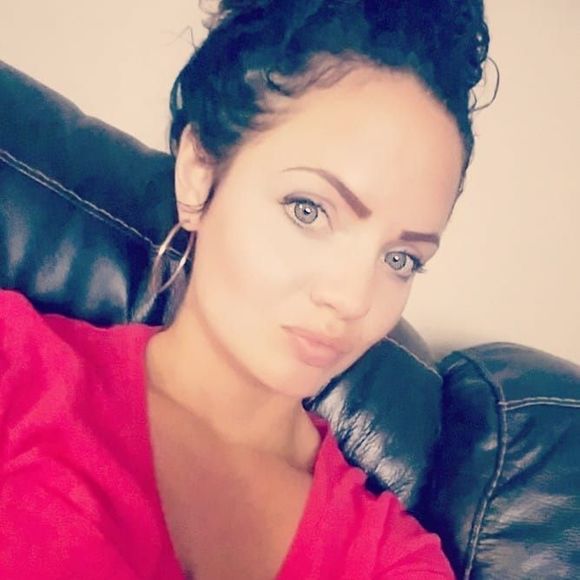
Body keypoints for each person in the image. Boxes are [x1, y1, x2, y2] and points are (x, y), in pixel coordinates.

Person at [0, 0, 492, 578]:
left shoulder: (392, 557)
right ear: (199, 173)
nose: (353, 299)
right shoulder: (18, 368)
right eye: (309, 210)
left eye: (400, 259)